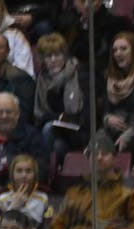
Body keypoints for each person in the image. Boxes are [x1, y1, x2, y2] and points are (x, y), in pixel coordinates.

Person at [48, 132, 134, 229]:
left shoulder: (131, 191)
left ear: (114, 158)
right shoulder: (75, 192)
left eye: (104, 154)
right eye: (95, 154)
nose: (99, 157)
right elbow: (57, 222)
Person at [32, 31, 88, 163]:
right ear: (42, 59)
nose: (53, 60)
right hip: (55, 132)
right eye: (48, 56)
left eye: (57, 55)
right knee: (55, 143)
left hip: (77, 130)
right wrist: (58, 118)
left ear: (65, 55)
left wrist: (62, 119)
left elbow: (84, 110)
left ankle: (42, 168)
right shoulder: (41, 79)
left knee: (48, 130)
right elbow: (40, 114)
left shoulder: (78, 73)